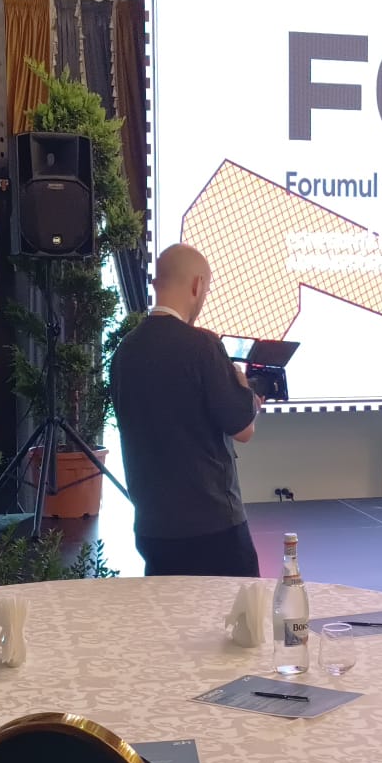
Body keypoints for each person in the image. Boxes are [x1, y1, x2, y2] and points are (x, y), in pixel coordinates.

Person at [109, 243, 265, 577]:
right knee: (241, 609)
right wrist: (244, 390)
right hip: (212, 524)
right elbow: (243, 429)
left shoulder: (125, 351)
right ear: (197, 285)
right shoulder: (202, 346)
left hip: (153, 526)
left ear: (156, 284)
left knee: (168, 610)